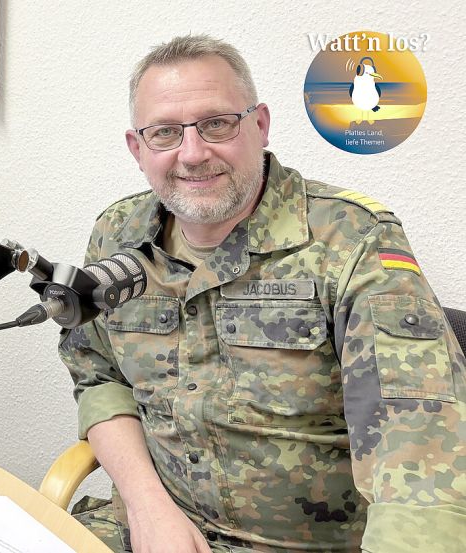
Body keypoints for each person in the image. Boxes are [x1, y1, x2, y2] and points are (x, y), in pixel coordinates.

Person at [60, 35, 465, 552]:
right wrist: (146, 506)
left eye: (217, 123)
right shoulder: (117, 235)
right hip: (151, 526)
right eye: (164, 132)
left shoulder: (353, 238)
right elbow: (97, 376)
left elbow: (421, 446)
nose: (193, 153)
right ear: (138, 149)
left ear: (260, 125)